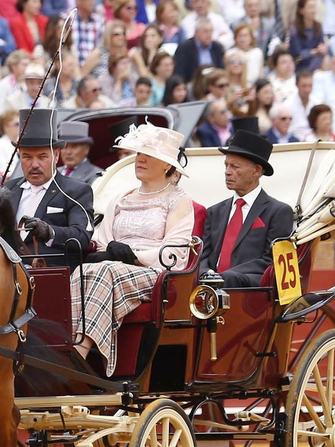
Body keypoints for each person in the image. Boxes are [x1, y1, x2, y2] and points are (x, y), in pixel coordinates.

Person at [71, 124, 195, 373]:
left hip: (155, 274)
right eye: (139, 153)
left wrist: (133, 257)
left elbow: (175, 254)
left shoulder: (178, 199)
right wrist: (111, 252)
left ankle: (79, 352)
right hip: (114, 268)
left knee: (105, 271)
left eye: (149, 155)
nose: (140, 159)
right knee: (82, 271)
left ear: (167, 165)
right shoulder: (121, 198)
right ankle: (67, 343)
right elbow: (103, 241)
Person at [0, 108, 94, 267]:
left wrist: (50, 232)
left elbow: (82, 237)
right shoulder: (7, 190)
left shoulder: (75, 191)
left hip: (51, 275)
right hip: (8, 275)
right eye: (27, 157)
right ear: (19, 156)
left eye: (42, 157)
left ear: (56, 155)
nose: (34, 164)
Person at [197, 126, 294, 286]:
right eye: (226, 165)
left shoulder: (278, 212)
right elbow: (204, 255)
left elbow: (272, 261)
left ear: (256, 171)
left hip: (250, 290)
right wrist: (206, 274)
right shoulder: (215, 212)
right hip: (210, 288)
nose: (227, 172)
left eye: (235, 166)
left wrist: (227, 277)